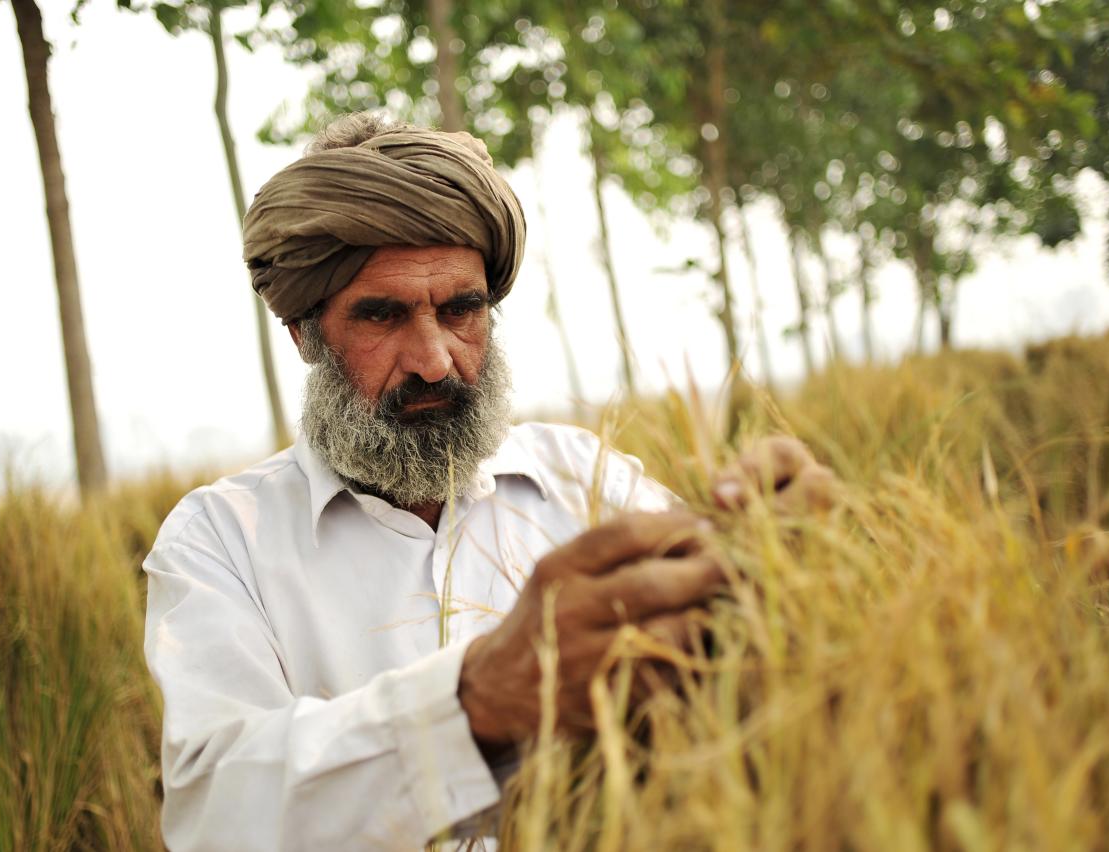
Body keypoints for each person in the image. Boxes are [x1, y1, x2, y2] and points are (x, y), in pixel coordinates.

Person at [142, 113, 837, 851]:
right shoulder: (219, 540)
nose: (435, 359)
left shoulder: (583, 480)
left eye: (461, 310)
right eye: (382, 315)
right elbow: (217, 809)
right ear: (304, 334)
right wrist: (475, 701)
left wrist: (780, 556)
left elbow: (738, 667)